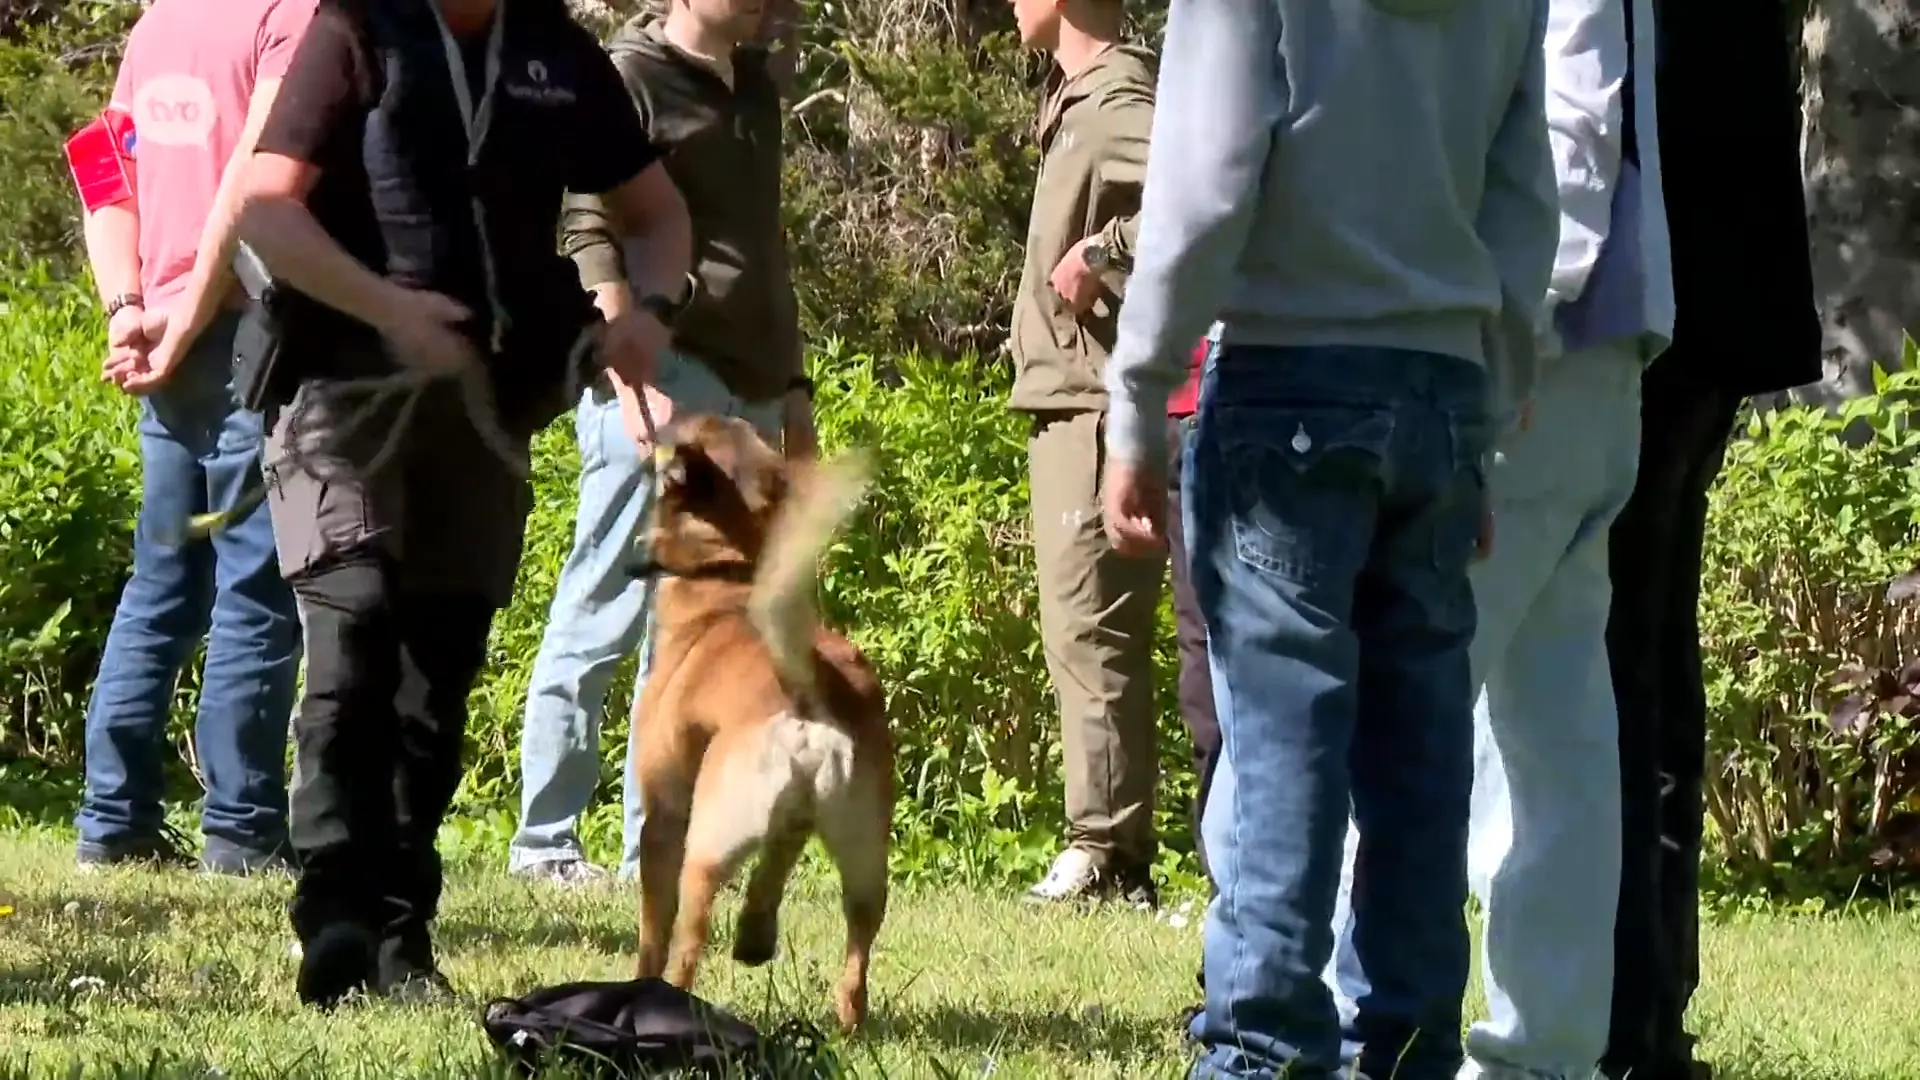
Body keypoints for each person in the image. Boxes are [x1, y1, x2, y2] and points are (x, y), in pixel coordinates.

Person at [1100, 0, 1559, 1076]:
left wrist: (1138, 392)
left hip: (1286, 369)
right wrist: (1486, 413)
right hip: (1443, 384)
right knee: (1421, 761)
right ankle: (1405, 1051)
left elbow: (1208, 175)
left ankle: (1263, 1054)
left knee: (1280, 752)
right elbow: (1524, 198)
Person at [235, 0, 689, 1007]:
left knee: (435, 675)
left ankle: (403, 938)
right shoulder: (361, 26)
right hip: (343, 391)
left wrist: (647, 316)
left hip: (488, 406)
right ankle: (336, 916)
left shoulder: (554, 50)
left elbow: (655, 214)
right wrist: (390, 307)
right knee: (353, 639)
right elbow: (266, 207)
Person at [1326, 0, 1672, 1076]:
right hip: (1594, 351)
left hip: (1533, 353)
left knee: (1408, 705)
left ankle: (1352, 1032)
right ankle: (1543, 1048)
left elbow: (1575, 124)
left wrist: (1503, 338)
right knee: (1554, 726)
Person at [508, 0, 810, 886]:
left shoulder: (756, 86)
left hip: (748, 386)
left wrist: (793, 390)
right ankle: (547, 843)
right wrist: (625, 366)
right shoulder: (628, 74)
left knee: (697, 633)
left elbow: (765, 249)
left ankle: (659, 847)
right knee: (604, 605)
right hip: (661, 372)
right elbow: (588, 223)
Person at [1602, 3, 1821, 1077]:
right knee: (1648, 657)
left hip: (1654, 302)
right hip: (1725, 298)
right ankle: (1652, 999)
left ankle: (1628, 1009)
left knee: (1614, 670)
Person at [72, 0, 311, 876]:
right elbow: (255, 179)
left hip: (165, 337)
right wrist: (174, 314)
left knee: (162, 582)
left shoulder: (156, 25)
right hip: (249, 327)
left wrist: (128, 306)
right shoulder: (288, 18)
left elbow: (101, 170)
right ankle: (244, 832)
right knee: (258, 583)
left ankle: (113, 820)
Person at [1004, 0, 1162, 907]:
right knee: (1078, 626)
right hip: (1066, 397)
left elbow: (1202, 192)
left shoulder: (1114, 98)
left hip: (1096, 404)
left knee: (1091, 622)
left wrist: (1103, 250)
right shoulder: (1077, 101)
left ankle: (1104, 849)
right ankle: (1111, 845)